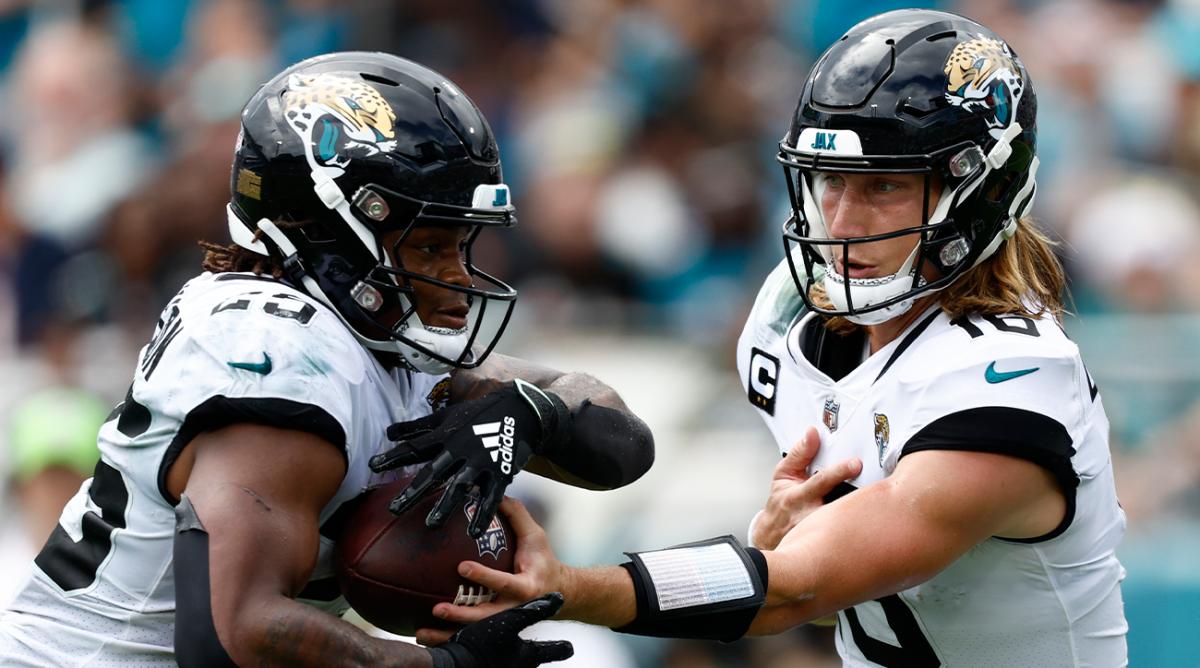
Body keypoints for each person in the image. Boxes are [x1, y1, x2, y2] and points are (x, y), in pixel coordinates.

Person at [426, 10, 1128, 667]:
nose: (842, 219)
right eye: (829, 179)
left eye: (882, 186)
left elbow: (799, 588)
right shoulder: (790, 322)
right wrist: (780, 542)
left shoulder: (1013, 380)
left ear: (976, 190)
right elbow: (849, 591)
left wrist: (568, 587)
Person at [0, 52, 654, 667]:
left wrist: (533, 412)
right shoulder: (281, 353)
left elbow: (622, 446)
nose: (458, 276)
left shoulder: (374, 337)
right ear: (336, 233)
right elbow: (228, 639)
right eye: (429, 247)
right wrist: (439, 665)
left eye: (462, 244)